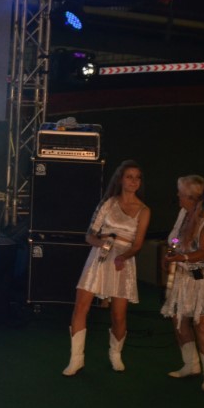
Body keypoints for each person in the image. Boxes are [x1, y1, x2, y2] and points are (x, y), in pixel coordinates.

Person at [62, 160, 151, 376]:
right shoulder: (109, 203)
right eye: (129, 177)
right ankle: (76, 359)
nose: (133, 181)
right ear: (121, 179)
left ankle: (115, 354)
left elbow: (137, 244)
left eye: (137, 178)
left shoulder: (144, 210)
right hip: (100, 256)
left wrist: (123, 256)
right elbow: (89, 235)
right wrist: (102, 243)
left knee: (118, 315)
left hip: (123, 260)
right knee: (81, 306)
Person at [161, 175, 204, 392]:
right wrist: (171, 250)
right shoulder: (184, 212)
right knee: (179, 319)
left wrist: (181, 257)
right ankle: (190, 365)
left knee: (203, 325)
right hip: (184, 277)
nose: (178, 196)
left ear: (192, 198)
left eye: (181, 194)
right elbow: (175, 237)